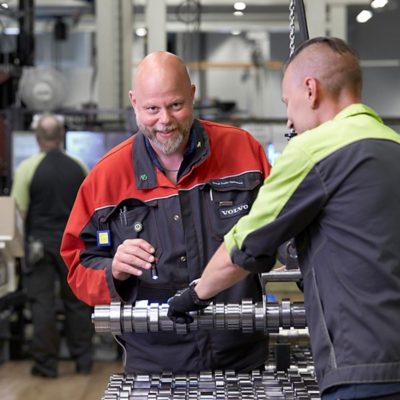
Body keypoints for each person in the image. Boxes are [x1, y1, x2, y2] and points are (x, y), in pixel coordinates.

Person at [167, 37, 400, 400]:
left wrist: (193, 296)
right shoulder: (391, 144)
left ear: (311, 89)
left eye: (287, 103)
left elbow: (245, 246)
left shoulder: (313, 150)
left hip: (362, 367)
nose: (290, 119)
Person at [60, 51, 272, 374]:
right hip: (155, 365)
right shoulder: (106, 179)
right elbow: (77, 266)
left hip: (241, 357)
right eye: (151, 109)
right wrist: (113, 269)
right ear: (134, 103)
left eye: (175, 105)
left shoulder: (243, 153)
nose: (164, 121)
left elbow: (287, 225)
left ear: (193, 94)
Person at [11, 113, 94, 378]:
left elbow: (18, 214)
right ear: (61, 137)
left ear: (37, 138)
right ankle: (83, 361)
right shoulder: (79, 166)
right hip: (73, 247)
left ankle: (47, 365)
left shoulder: (27, 168)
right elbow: (90, 209)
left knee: (42, 303)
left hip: (39, 247)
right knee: (78, 303)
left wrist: (18, 251)